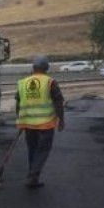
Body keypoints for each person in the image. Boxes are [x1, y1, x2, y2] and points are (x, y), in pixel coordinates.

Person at [15, 54, 65, 188]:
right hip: (45, 123)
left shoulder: (23, 82)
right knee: (42, 150)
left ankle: (33, 177)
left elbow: (18, 104)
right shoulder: (50, 82)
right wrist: (61, 120)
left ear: (33, 67)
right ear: (46, 68)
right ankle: (33, 175)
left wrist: (20, 119)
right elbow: (58, 101)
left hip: (28, 123)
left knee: (33, 149)